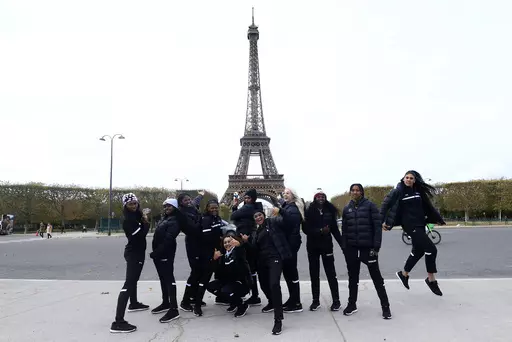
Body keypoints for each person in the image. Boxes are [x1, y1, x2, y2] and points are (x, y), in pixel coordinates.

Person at [380, 170, 446, 296]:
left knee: (419, 251)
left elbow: (428, 206)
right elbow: (385, 205)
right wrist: (381, 221)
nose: (409, 179)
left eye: (411, 178)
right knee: (431, 250)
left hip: (421, 224)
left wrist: (438, 219)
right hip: (410, 226)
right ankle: (431, 279)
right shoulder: (398, 191)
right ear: (403, 179)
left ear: (414, 180)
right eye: (407, 177)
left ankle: (404, 274)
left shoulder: (417, 191)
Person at [341, 184, 391, 319]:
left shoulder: (370, 206)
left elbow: (377, 228)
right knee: (352, 278)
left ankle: (385, 307)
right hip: (352, 248)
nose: (355, 192)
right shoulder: (347, 208)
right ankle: (352, 304)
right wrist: (345, 248)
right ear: (350, 192)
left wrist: (376, 248)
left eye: (357, 190)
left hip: (367, 248)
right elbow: (344, 230)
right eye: (353, 190)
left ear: (361, 192)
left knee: (377, 279)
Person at [242, 205, 292, 335]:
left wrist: (281, 210)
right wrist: (246, 241)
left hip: (275, 258)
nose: (258, 217)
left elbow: (288, 220)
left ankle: (278, 319)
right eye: (256, 217)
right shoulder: (256, 232)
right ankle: (273, 302)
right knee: (264, 284)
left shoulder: (273, 222)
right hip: (262, 262)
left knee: (274, 284)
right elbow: (254, 249)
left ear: (264, 215)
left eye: (260, 215)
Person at [110, 193, 150, 334]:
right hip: (134, 254)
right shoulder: (128, 220)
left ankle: (133, 303)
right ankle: (118, 322)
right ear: (125, 206)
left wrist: (144, 220)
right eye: (130, 204)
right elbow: (141, 234)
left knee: (134, 281)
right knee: (129, 284)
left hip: (137, 253)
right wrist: (146, 222)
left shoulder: (136, 216)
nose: (134, 205)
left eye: (135, 203)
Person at [303, 189, 342, 312]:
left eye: (323, 196)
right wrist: (320, 231)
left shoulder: (330, 211)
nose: (321, 198)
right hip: (313, 246)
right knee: (314, 275)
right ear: (315, 198)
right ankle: (316, 301)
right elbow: (305, 229)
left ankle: (336, 301)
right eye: (318, 196)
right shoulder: (309, 211)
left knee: (331, 274)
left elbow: (335, 229)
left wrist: (343, 244)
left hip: (326, 246)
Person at [186, 199, 225, 317]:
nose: (214, 209)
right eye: (211, 208)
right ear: (207, 208)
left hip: (215, 252)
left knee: (208, 278)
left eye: (216, 207)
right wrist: (216, 247)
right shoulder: (206, 219)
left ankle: (199, 301)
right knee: (204, 279)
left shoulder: (217, 219)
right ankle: (197, 305)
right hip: (209, 254)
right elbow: (207, 238)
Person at [150, 198, 181, 323]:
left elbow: (169, 239)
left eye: (169, 206)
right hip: (159, 254)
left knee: (169, 279)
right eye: (165, 206)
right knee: (163, 278)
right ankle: (166, 302)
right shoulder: (166, 218)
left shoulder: (175, 220)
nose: (166, 208)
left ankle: (174, 309)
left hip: (165, 253)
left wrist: (157, 252)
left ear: (175, 207)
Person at [207, 234, 251, 318]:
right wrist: (214, 260)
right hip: (228, 281)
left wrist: (239, 245)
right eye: (225, 242)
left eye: (229, 241)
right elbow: (218, 273)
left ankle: (242, 305)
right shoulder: (223, 255)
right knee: (210, 286)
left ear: (234, 242)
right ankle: (233, 302)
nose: (227, 244)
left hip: (241, 282)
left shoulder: (238, 251)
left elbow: (241, 255)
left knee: (226, 290)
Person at [230, 189, 261, 306]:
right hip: (248, 237)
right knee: (250, 268)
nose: (246, 200)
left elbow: (233, 216)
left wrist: (235, 207)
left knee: (245, 266)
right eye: (246, 198)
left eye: (249, 198)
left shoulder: (248, 208)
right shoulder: (255, 207)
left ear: (253, 199)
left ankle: (250, 294)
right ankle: (254, 294)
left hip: (244, 238)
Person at [178, 191, 206, 311]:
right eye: (186, 200)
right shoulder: (182, 214)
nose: (189, 201)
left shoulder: (192, 208)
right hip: (192, 244)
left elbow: (195, 201)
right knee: (195, 272)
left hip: (199, 243)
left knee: (199, 271)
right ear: (181, 203)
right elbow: (193, 229)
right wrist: (204, 222)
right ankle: (185, 300)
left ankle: (193, 297)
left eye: (189, 199)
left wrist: (201, 195)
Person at [280, 188, 304, 313]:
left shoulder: (292, 209)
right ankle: (293, 299)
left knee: (291, 273)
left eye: (287, 193)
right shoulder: (287, 206)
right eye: (284, 192)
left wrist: (280, 211)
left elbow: (290, 223)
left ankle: (296, 302)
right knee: (289, 273)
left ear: (293, 196)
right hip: (288, 244)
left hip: (290, 245)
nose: (285, 194)